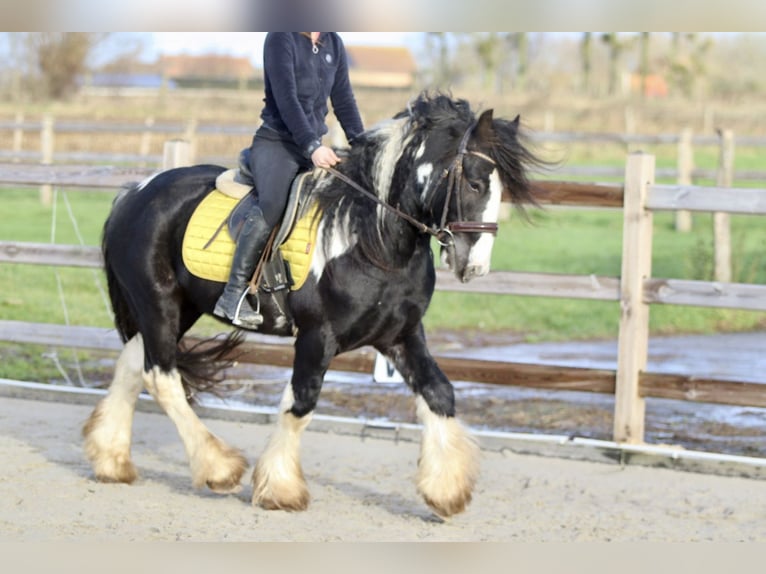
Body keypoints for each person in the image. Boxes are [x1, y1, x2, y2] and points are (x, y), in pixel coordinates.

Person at [214, 32, 365, 328]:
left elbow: (344, 99)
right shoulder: (280, 37)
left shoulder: (333, 42)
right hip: (277, 142)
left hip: (315, 145)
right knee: (272, 205)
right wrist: (311, 146)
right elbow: (287, 98)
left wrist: (363, 147)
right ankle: (232, 295)